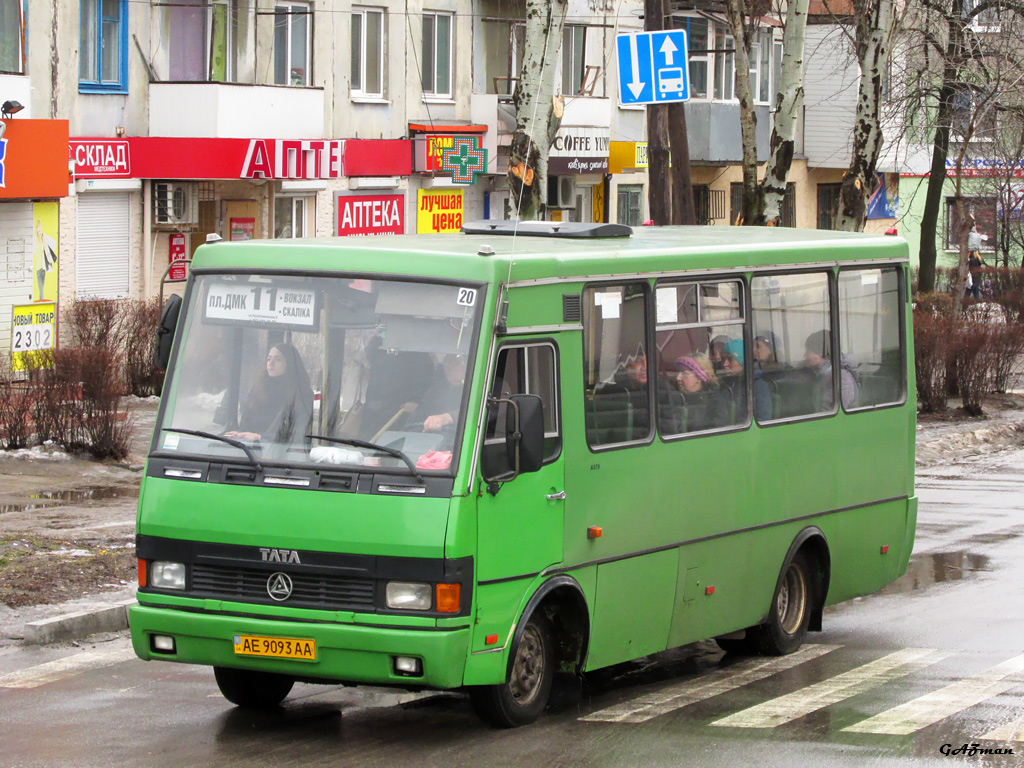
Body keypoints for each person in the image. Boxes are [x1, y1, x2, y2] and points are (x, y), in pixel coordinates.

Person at [226, 343, 313, 443]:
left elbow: (297, 436)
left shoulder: (301, 394)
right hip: (249, 452)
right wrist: (239, 434)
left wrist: (259, 438)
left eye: (277, 359)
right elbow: (245, 423)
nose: (271, 363)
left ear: (290, 364)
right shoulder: (258, 389)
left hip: (280, 455)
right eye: (268, 359)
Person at [804, 329, 859, 409]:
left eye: (808, 352)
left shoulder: (841, 377)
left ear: (820, 353)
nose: (805, 356)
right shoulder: (820, 373)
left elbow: (828, 411)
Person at [417, 353, 467, 433]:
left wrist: (449, 417)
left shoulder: (481, 389)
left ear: (466, 365)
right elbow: (418, 417)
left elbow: (478, 412)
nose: (447, 367)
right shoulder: (436, 391)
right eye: (445, 362)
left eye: (454, 362)